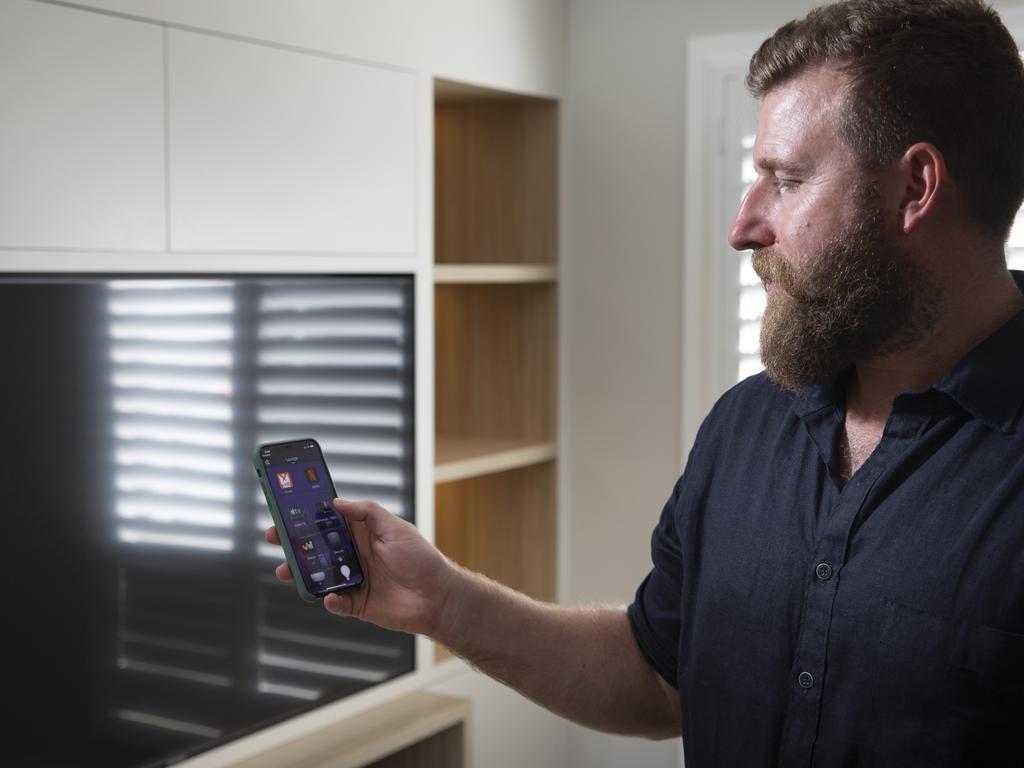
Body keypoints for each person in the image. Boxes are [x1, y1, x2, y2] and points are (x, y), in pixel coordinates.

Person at [266, 0, 1024, 764]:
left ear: (915, 189)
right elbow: (657, 678)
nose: (743, 226)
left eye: (785, 181)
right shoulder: (748, 424)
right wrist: (444, 603)